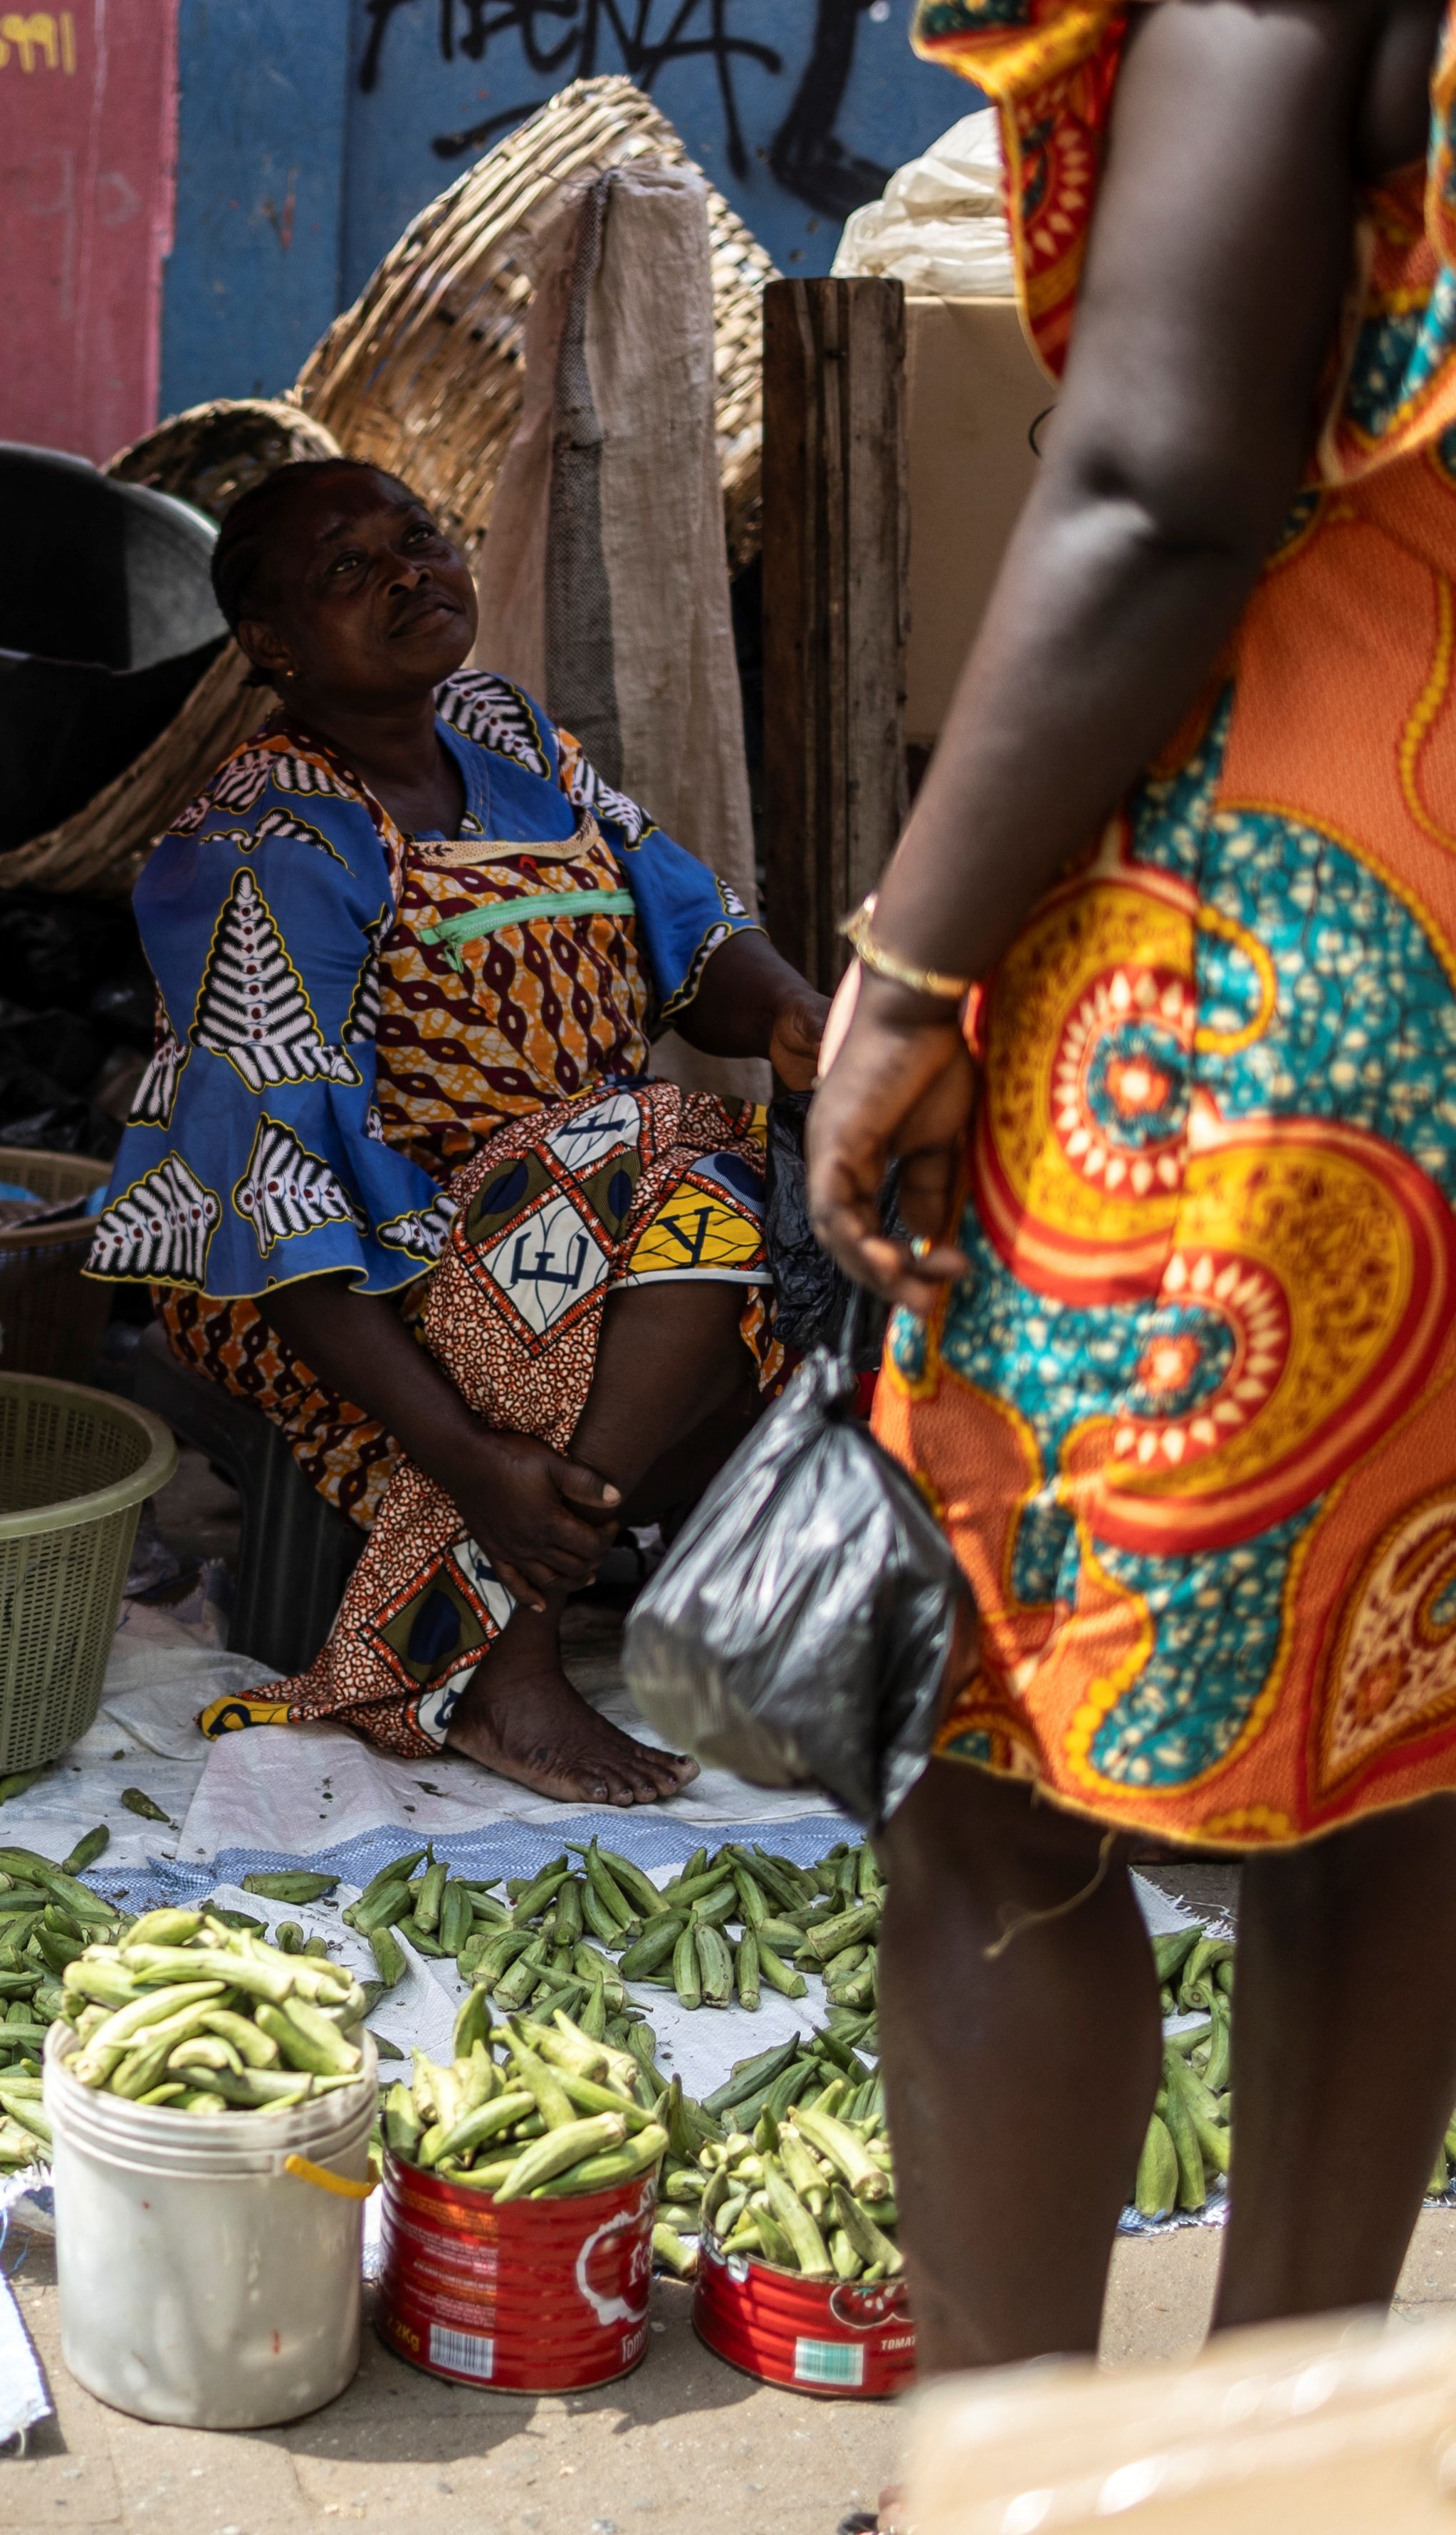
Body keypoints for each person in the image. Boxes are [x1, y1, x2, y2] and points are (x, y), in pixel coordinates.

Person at [806, 0, 1456, 2375]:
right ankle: (1276, 2483)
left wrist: (900, 974)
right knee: (1405, 1748)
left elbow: (1161, 479)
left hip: (1304, 978)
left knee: (988, 1779)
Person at [89, 459, 832, 1804]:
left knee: (823, 1198)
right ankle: (507, 1649)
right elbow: (273, 1202)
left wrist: (791, 1012)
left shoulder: (506, 734)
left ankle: (627, 1574)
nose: (409, 575)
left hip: (580, 1207)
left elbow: (693, 932)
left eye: (417, 539)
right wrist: (468, 1463)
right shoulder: (257, 845)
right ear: (272, 647)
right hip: (341, 1274)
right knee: (689, 1157)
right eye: (349, 572)